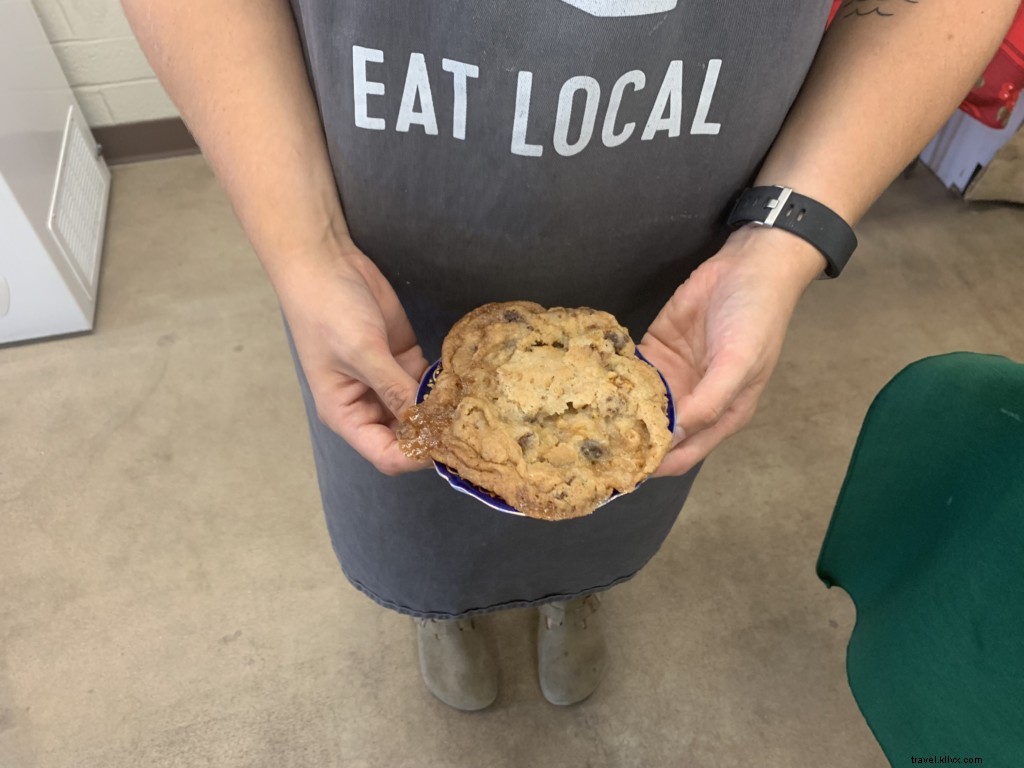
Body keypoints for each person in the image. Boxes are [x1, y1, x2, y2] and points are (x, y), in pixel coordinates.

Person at [122, 0, 1018, 711]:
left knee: (614, 483)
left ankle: (571, 585)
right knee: (412, 471)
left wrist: (783, 239)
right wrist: (303, 245)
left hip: (681, 254)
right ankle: (442, 604)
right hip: (385, 250)